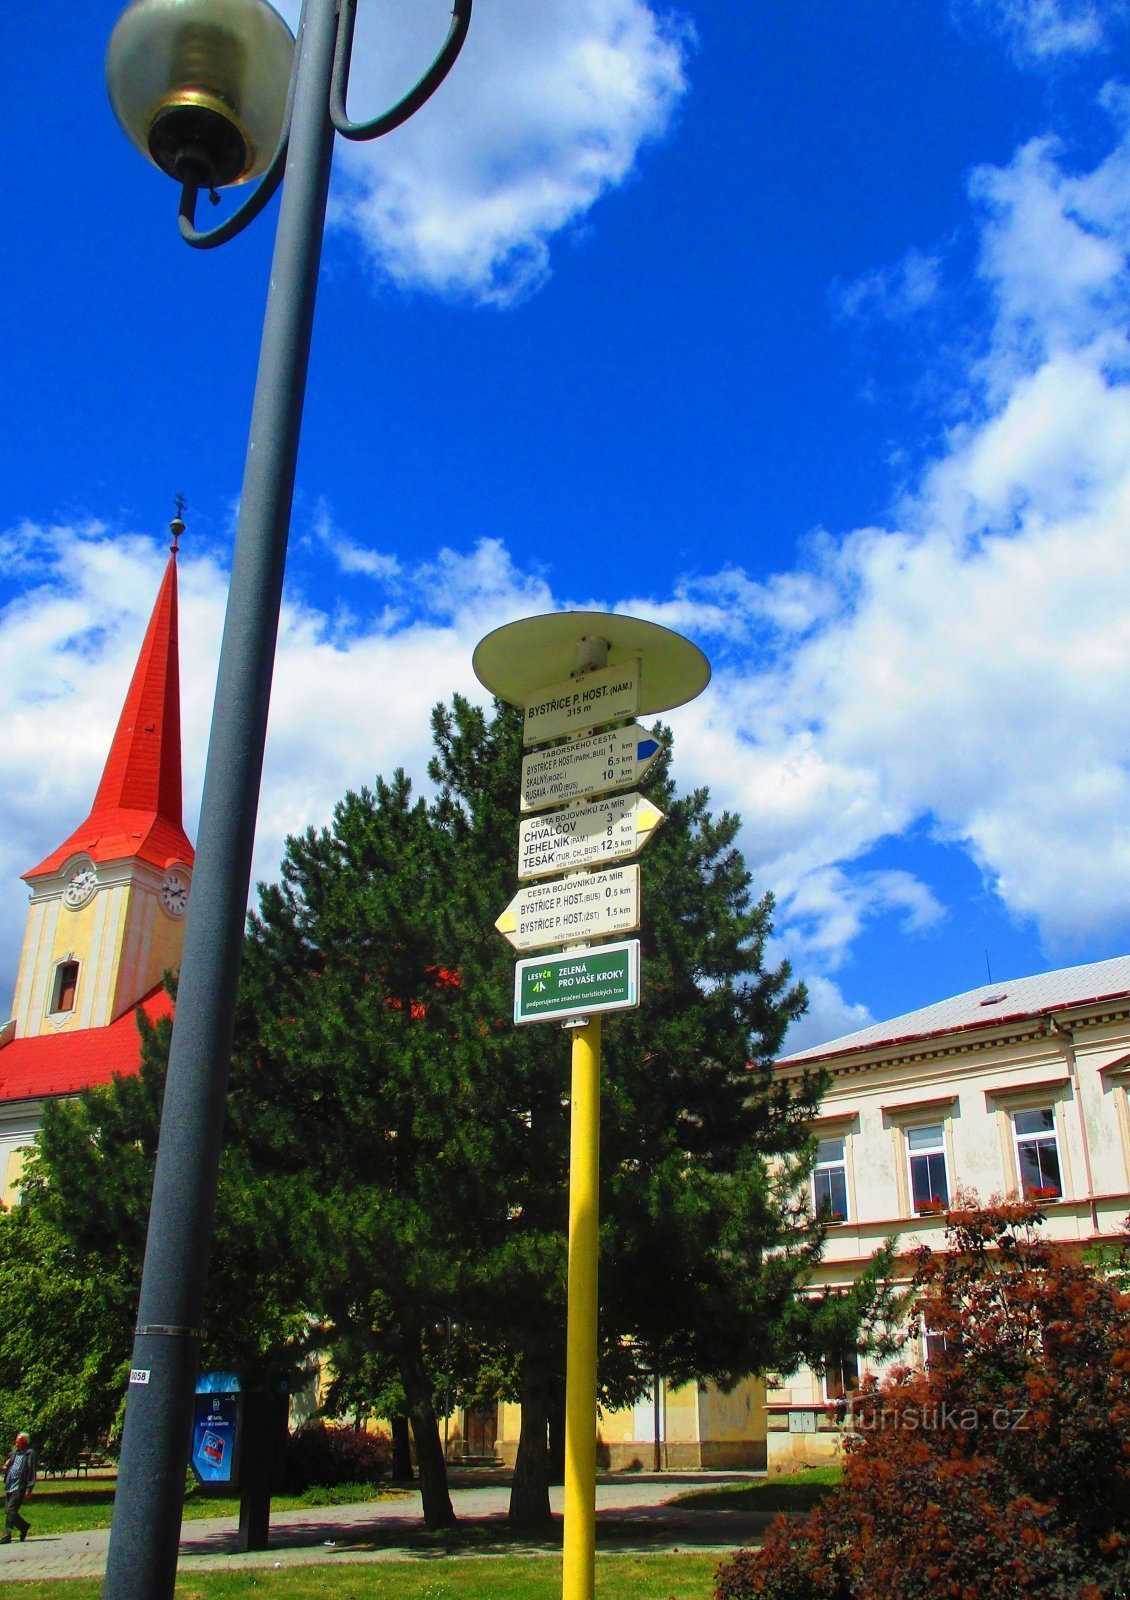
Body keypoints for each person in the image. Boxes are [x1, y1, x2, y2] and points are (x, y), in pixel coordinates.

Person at [1, 1433, 35, 1544]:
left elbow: (31, 1470)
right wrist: (6, 1465)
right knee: (8, 1511)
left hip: (19, 1487)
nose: (16, 1443)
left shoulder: (29, 1454)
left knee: (10, 1511)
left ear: (24, 1442)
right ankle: (23, 1526)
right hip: (10, 1485)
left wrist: (29, 1488)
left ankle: (7, 1535)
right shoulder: (14, 1452)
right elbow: (11, 1466)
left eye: (18, 1441)